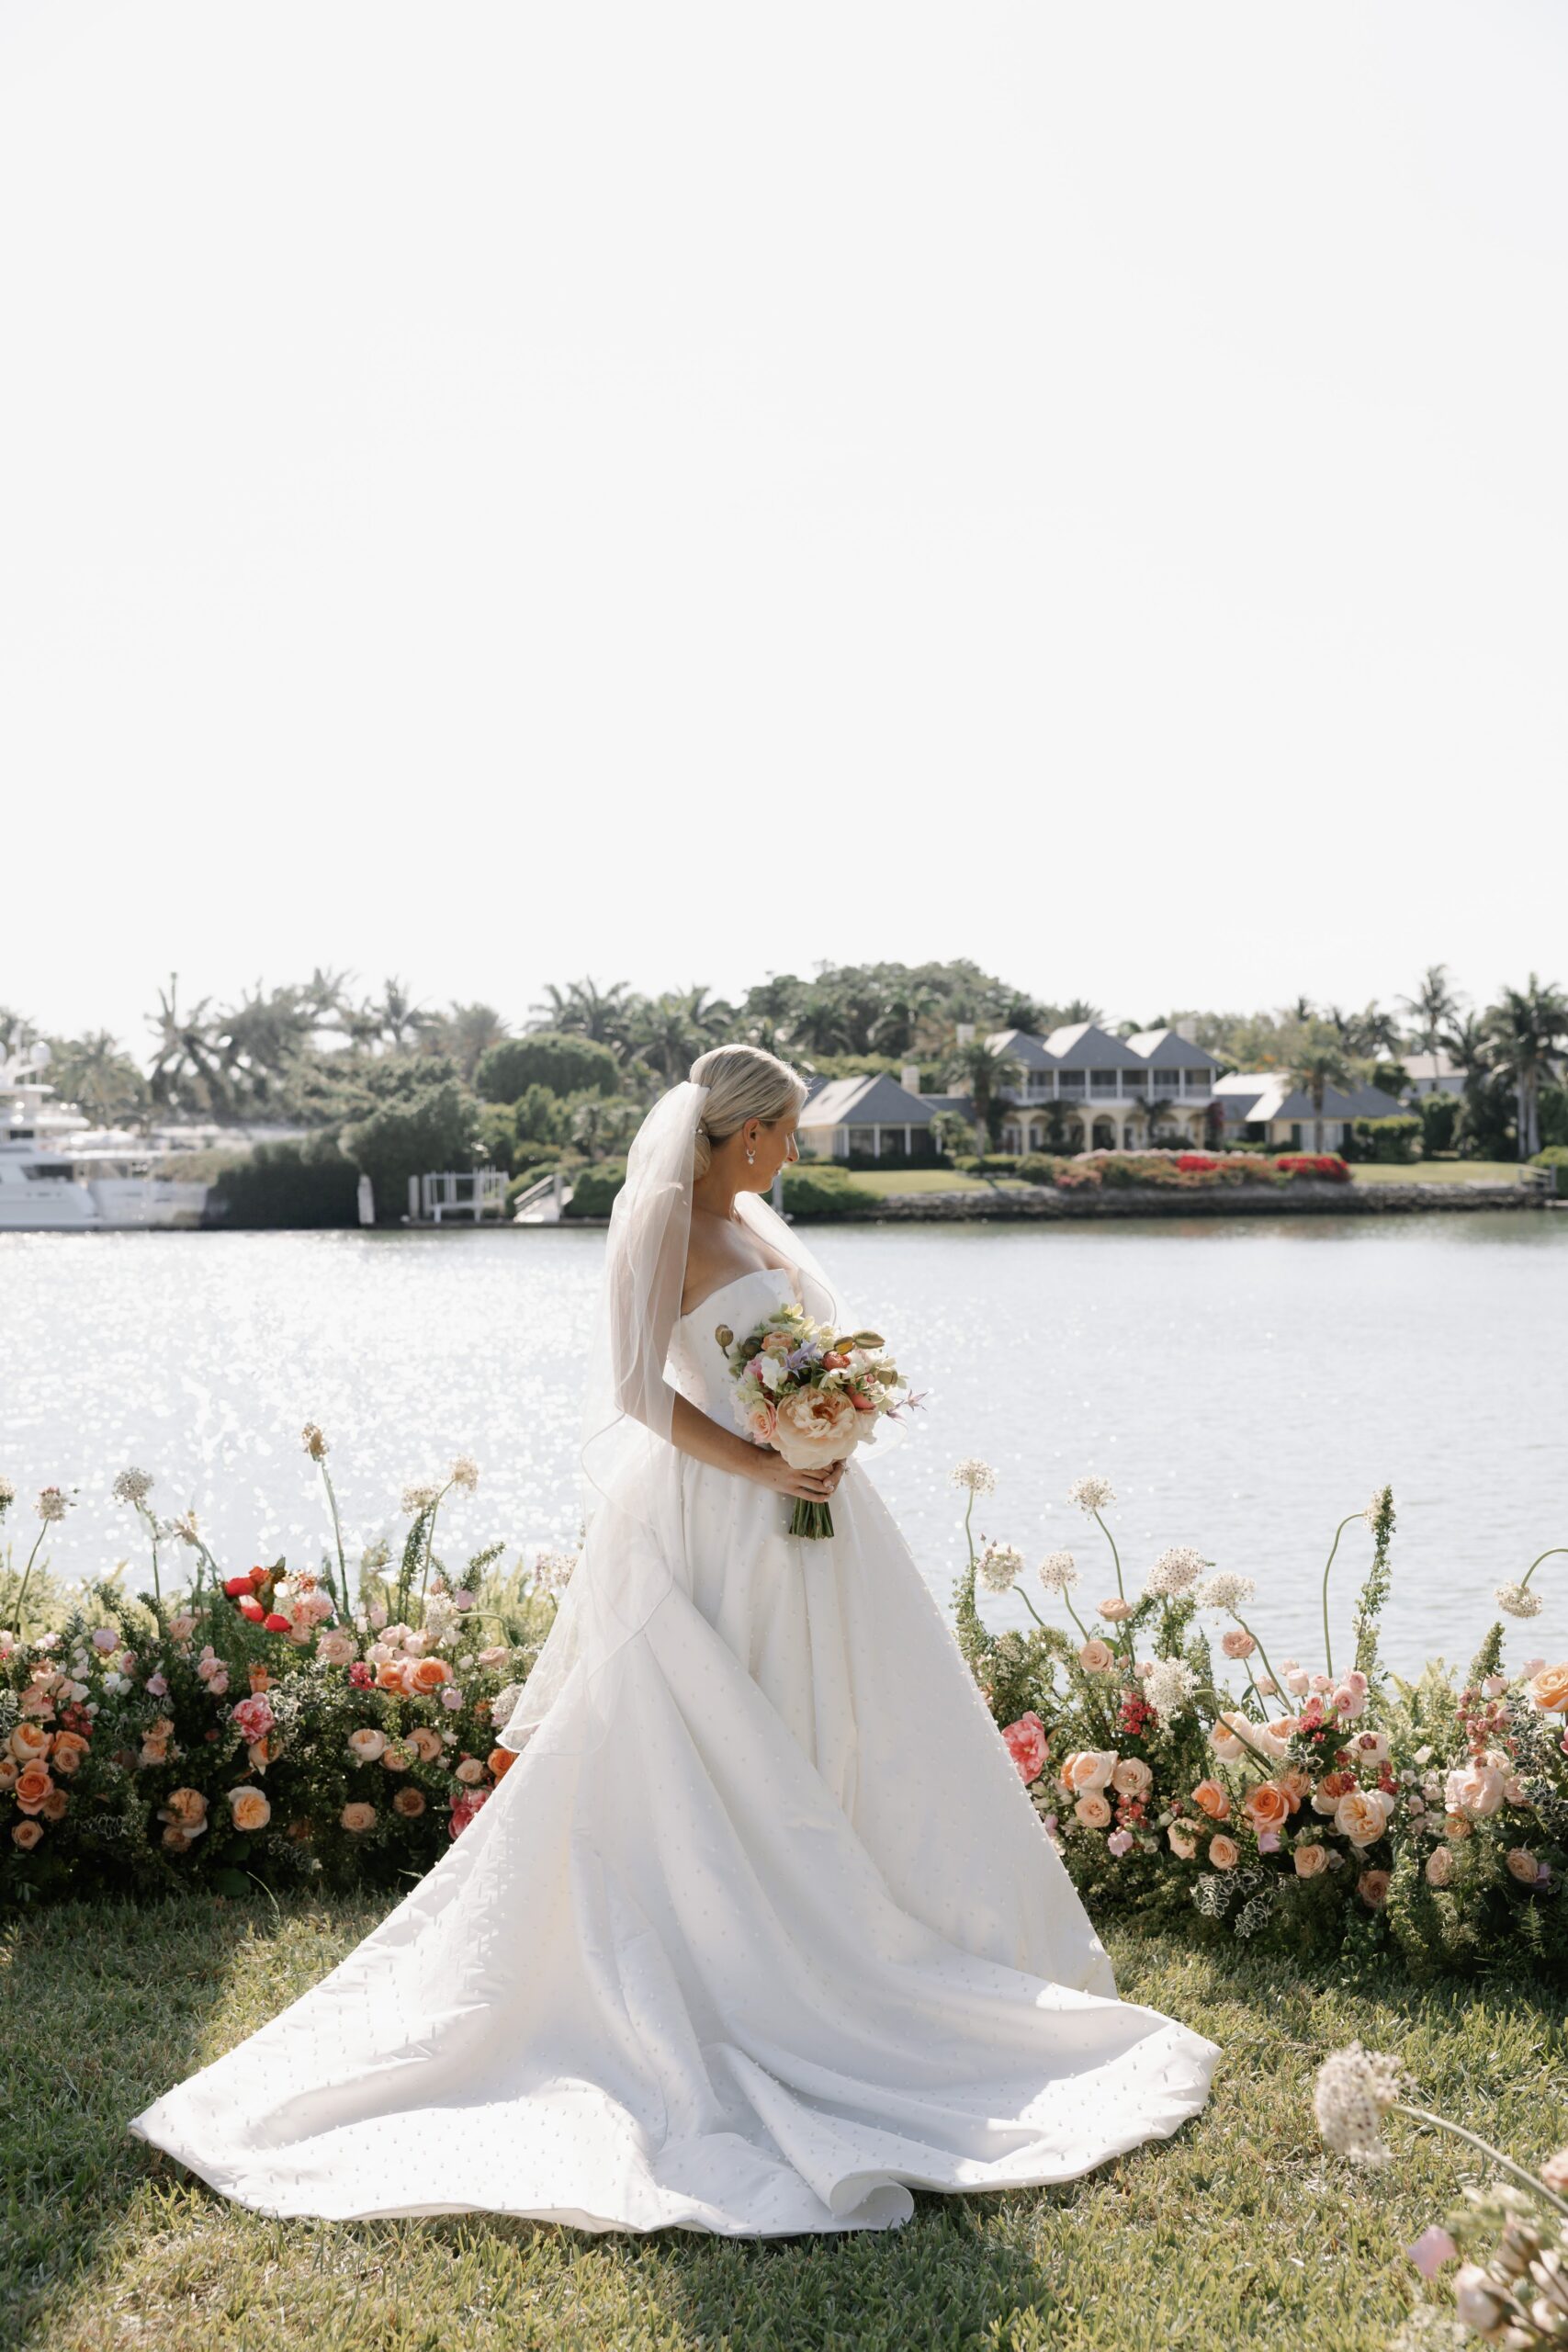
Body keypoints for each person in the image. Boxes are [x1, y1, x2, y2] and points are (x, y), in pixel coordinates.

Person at [130, 1044, 1219, 2234]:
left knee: (834, 1720)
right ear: (739, 1134)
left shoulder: (755, 1228)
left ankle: (863, 1922)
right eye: (785, 1131)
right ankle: (744, 1962)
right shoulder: (667, 1232)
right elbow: (641, 1396)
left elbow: (794, 1357)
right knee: (714, 1732)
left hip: (811, 1512)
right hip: (720, 1515)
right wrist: (765, 1457)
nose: (794, 1152)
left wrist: (825, 1426)